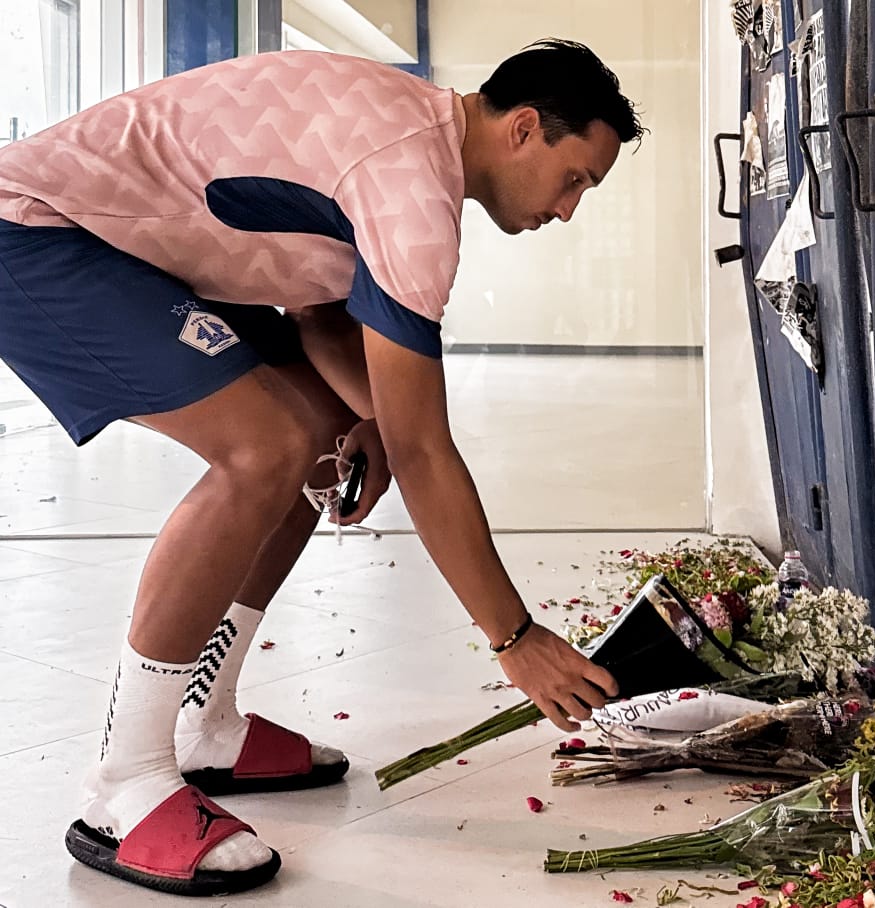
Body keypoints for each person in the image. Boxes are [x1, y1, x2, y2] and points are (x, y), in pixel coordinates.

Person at [0, 38, 641, 896]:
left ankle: (205, 720)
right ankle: (123, 780)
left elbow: (322, 318)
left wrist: (366, 416)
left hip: (130, 248)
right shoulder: (411, 186)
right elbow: (421, 449)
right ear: (523, 128)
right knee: (261, 446)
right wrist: (515, 640)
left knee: (319, 438)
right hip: (33, 227)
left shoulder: (411, 135)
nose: (569, 212)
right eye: (576, 181)